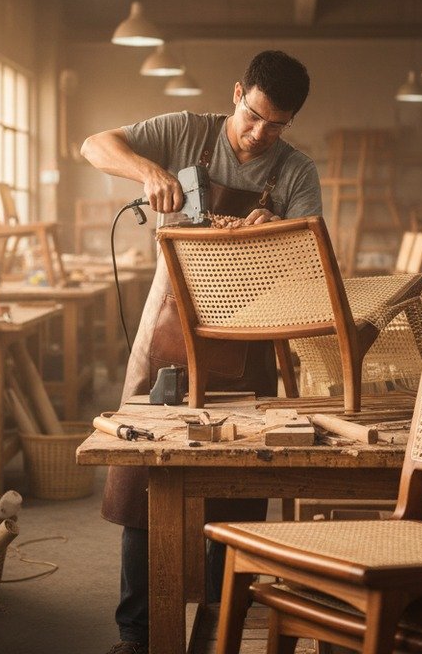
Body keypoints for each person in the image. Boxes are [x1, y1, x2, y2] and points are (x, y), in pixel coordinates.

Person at [80, 50, 321, 654]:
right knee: (142, 477)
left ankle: (218, 630)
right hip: (168, 328)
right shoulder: (185, 131)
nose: (260, 134)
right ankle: (135, 633)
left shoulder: (296, 173)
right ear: (237, 93)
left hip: (251, 336)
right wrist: (146, 172)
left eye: (277, 125)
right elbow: (92, 144)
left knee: (235, 487)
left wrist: (274, 234)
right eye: (253, 116)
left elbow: (310, 265)